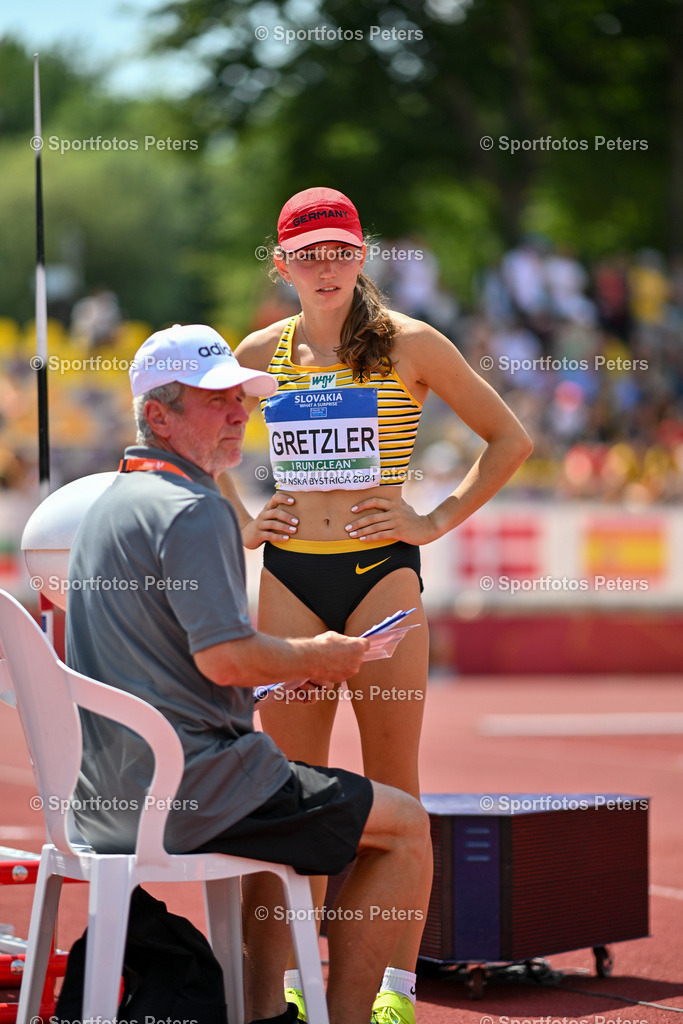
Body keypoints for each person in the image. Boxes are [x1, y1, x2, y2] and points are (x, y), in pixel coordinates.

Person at [220, 187, 534, 1024]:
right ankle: (291, 988)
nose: (325, 268)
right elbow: (190, 430)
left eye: (338, 251)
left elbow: (510, 440)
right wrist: (246, 515)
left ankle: (393, 995)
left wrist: (431, 519)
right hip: (289, 580)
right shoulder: (257, 351)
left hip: (381, 578)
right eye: (307, 254)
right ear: (280, 262)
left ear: (364, 256)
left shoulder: (412, 343)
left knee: (396, 787)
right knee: (288, 793)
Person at [64, 323, 431, 1024]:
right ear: (159, 415)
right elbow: (224, 657)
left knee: (287, 789)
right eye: (215, 401)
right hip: (194, 790)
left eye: (241, 398)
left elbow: (174, 663)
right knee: (406, 826)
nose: (239, 414)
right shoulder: (194, 508)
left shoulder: (108, 503)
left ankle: (263, 1013)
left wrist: (267, 674)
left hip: (102, 802)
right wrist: (319, 656)